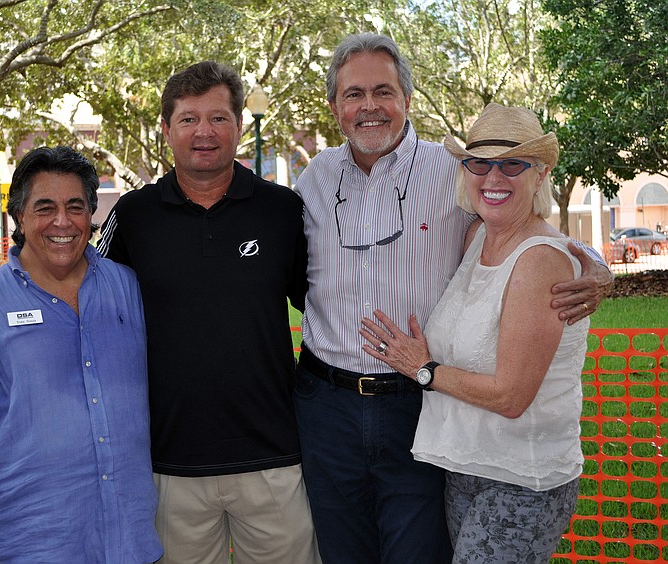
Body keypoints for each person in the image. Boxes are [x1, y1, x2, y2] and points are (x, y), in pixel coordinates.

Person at [293, 33, 613, 564]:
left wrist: (596, 267)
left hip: (419, 405)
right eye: (354, 94)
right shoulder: (315, 179)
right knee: (341, 551)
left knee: (418, 551)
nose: (369, 106)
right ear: (334, 107)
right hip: (327, 406)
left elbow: (525, 229)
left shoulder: (453, 172)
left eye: (383, 91)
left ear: (406, 99)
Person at [96, 61, 317, 563]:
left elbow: (328, 304)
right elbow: (86, 302)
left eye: (218, 118)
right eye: (189, 119)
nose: (204, 132)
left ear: (238, 125)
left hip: (274, 457)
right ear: (166, 129)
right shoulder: (132, 216)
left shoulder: (283, 211)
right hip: (169, 463)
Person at [360, 103, 589, 562]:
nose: (493, 178)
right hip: (466, 468)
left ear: (540, 175)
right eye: (479, 164)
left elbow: (511, 396)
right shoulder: (477, 237)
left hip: (522, 479)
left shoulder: (540, 260)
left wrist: (423, 369)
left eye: (512, 164)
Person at [0, 146, 162, 564]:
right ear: (19, 215)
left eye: (75, 207)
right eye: (45, 208)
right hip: (29, 547)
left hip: (132, 543)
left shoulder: (128, 288)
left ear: (91, 214)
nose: (62, 222)